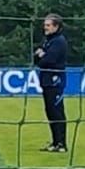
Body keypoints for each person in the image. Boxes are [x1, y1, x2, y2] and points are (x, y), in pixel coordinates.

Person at [34, 13, 69, 153]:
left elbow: (49, 60)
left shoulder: (59, 41)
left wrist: (42, 55)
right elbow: (37, 59)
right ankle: (55, 142)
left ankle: (62, 143)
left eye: (48, 25)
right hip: (46, 81)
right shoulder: (47, 40)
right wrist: (41, 56)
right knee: (49, 111)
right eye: (45, 25)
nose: (45, 28)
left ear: (56, 26)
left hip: (55, 81)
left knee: (57, 112)